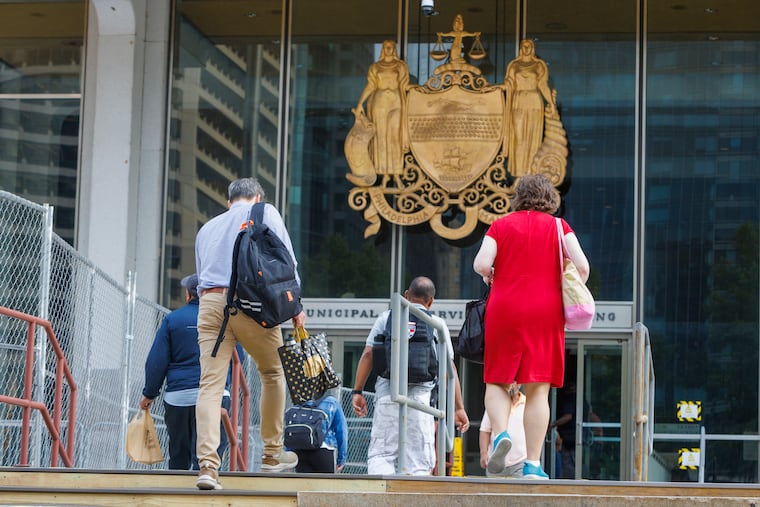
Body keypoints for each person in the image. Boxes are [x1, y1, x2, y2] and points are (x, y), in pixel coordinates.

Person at [472, 174, 589, 480]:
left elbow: (481, 264)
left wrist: (492, 276)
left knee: (497, 380)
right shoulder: (559, 227)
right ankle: (533, 466)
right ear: (550, 199)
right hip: (545, 312)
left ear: (519, 197)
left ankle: (500, 435)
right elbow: (583, 266)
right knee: (538, 389)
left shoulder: (500, 225)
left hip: (504, 309)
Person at [194, 177, 306, 490]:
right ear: (256, 197)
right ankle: (271, 456)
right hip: (252, 304)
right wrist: (295, 307)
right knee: (272, 374)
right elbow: (287, 263)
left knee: (210, 385)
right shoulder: (265, 212)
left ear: (229, 199)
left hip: (212, 303)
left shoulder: (207, 228)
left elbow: (200, 275)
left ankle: (207, 466)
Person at [351, 276, 470, 475]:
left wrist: (358, 391)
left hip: (388, 395)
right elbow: (450, 370)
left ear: (406, 295)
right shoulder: (437, 324)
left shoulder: (387, 318)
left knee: (381, 456)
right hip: (421, 403)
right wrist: (458, 407)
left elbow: (368, 354)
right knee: (419, 462)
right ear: (431, 301)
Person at [139, 274, 237, 470]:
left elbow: (157, 360)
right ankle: (205, 486)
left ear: (188, 295)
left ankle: (177, 494)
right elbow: (237, 359)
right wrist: (227, 386)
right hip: (215, 394)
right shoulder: (224, 318)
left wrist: (150, 393)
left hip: (179, 396)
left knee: (178, 453)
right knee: (207, 454)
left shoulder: (172, 320)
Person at [354, 39, 410, 177]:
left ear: (394, 49)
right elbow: (371, 86)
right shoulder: (375, 67)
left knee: (395, 135)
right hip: (380, 103)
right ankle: (383, 171)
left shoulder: (400, 66)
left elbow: (404, 86)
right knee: (380, 135)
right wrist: (360, 103)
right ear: (383, 49)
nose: (388, 49)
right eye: (386, 47)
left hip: (396, 102)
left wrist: (418, 89)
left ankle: (397, 171)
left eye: (391, 47)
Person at [503, 39, 557, 177]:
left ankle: (531, 172)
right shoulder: (514, 65)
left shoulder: (539, 65)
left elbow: (543, 86)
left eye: (529, 46)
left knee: (533, 138)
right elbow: (508, 86)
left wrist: (551, 103)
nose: (526, 48)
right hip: (518, 101)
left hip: (534, 101)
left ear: (532, 48)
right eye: (524, 46)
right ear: (520, 48)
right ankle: (519, 173)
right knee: (519, 137)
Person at [291, 389, 348, 474]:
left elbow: (291, 429)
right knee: (325, 485)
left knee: (303, 486)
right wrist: (341, 458)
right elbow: (342, 432)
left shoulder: (298, 402)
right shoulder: (332, 402)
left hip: (300, 451)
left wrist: (289, 452)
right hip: (323, 450)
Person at [479, 383, 527, 478]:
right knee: (494, 491)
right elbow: (485, 430)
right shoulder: (495, 404)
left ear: (519, 384)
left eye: (513, 381)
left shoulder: (528, 405)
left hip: (521, 462)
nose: (510, 384)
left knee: (520, 492)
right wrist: (483, 453)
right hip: (494, 462)